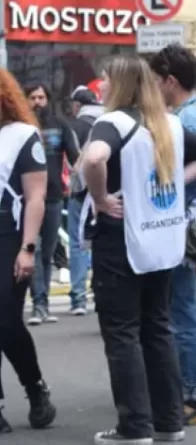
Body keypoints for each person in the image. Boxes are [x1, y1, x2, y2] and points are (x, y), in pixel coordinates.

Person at [80, 54, 196, 445]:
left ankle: (134, 426)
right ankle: (169, 422)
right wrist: (172, 183)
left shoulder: (112, 122)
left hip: (120, 239)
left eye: (105, 79)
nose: (101, 86)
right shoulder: (167, 122)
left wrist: (101, 197)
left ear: (119, 84)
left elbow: (94, 157)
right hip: (161, 239)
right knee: (157, 327)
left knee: (122, 333)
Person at [149, 44, 196, 422]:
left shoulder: (188, 116)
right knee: (185, 307)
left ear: (170, 82)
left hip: (185, 221)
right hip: (186, 220)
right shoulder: (195, 110)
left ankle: (194, 391)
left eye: (155, 81)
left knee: (184, 308)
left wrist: (170, 183)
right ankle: (193, 388)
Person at [0, 68, 57, 435]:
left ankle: (35, 389)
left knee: (6, 319)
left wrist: (28, 248)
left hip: (10, 234)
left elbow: (36, 195)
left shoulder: (22, 135)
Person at [24, 82, 80, 326]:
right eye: (33, 97)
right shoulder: (19, 127)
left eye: (41, 97)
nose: (37, 102)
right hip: (25, 199)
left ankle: (42, 304)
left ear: (47, 100)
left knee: (46, 253)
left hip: (54, 196)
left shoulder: (60, 125)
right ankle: (38, 305)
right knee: (33, 250)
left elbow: (75, 157)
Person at [66, 85, 104, 315]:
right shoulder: (108, 121)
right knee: (102, 243)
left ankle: (78, 298)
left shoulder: (75, 126)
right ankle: (101, 294)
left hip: (82, 192)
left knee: (78, 243)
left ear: (78, 105)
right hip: (107, 192)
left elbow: (73, 162)